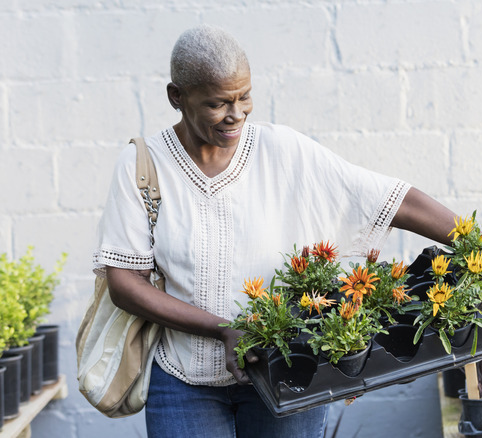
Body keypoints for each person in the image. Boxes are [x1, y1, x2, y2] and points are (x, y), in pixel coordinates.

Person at [93, 25, 456, 438]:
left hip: (291, 368)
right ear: (177, 97)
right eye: (217, 104)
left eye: (244, 97)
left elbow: (390, 199)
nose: (236, 114)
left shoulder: (282, 151)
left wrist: (478, 242)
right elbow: (124, 283)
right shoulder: (143, 165)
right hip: (185, 383)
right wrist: (223, 329)